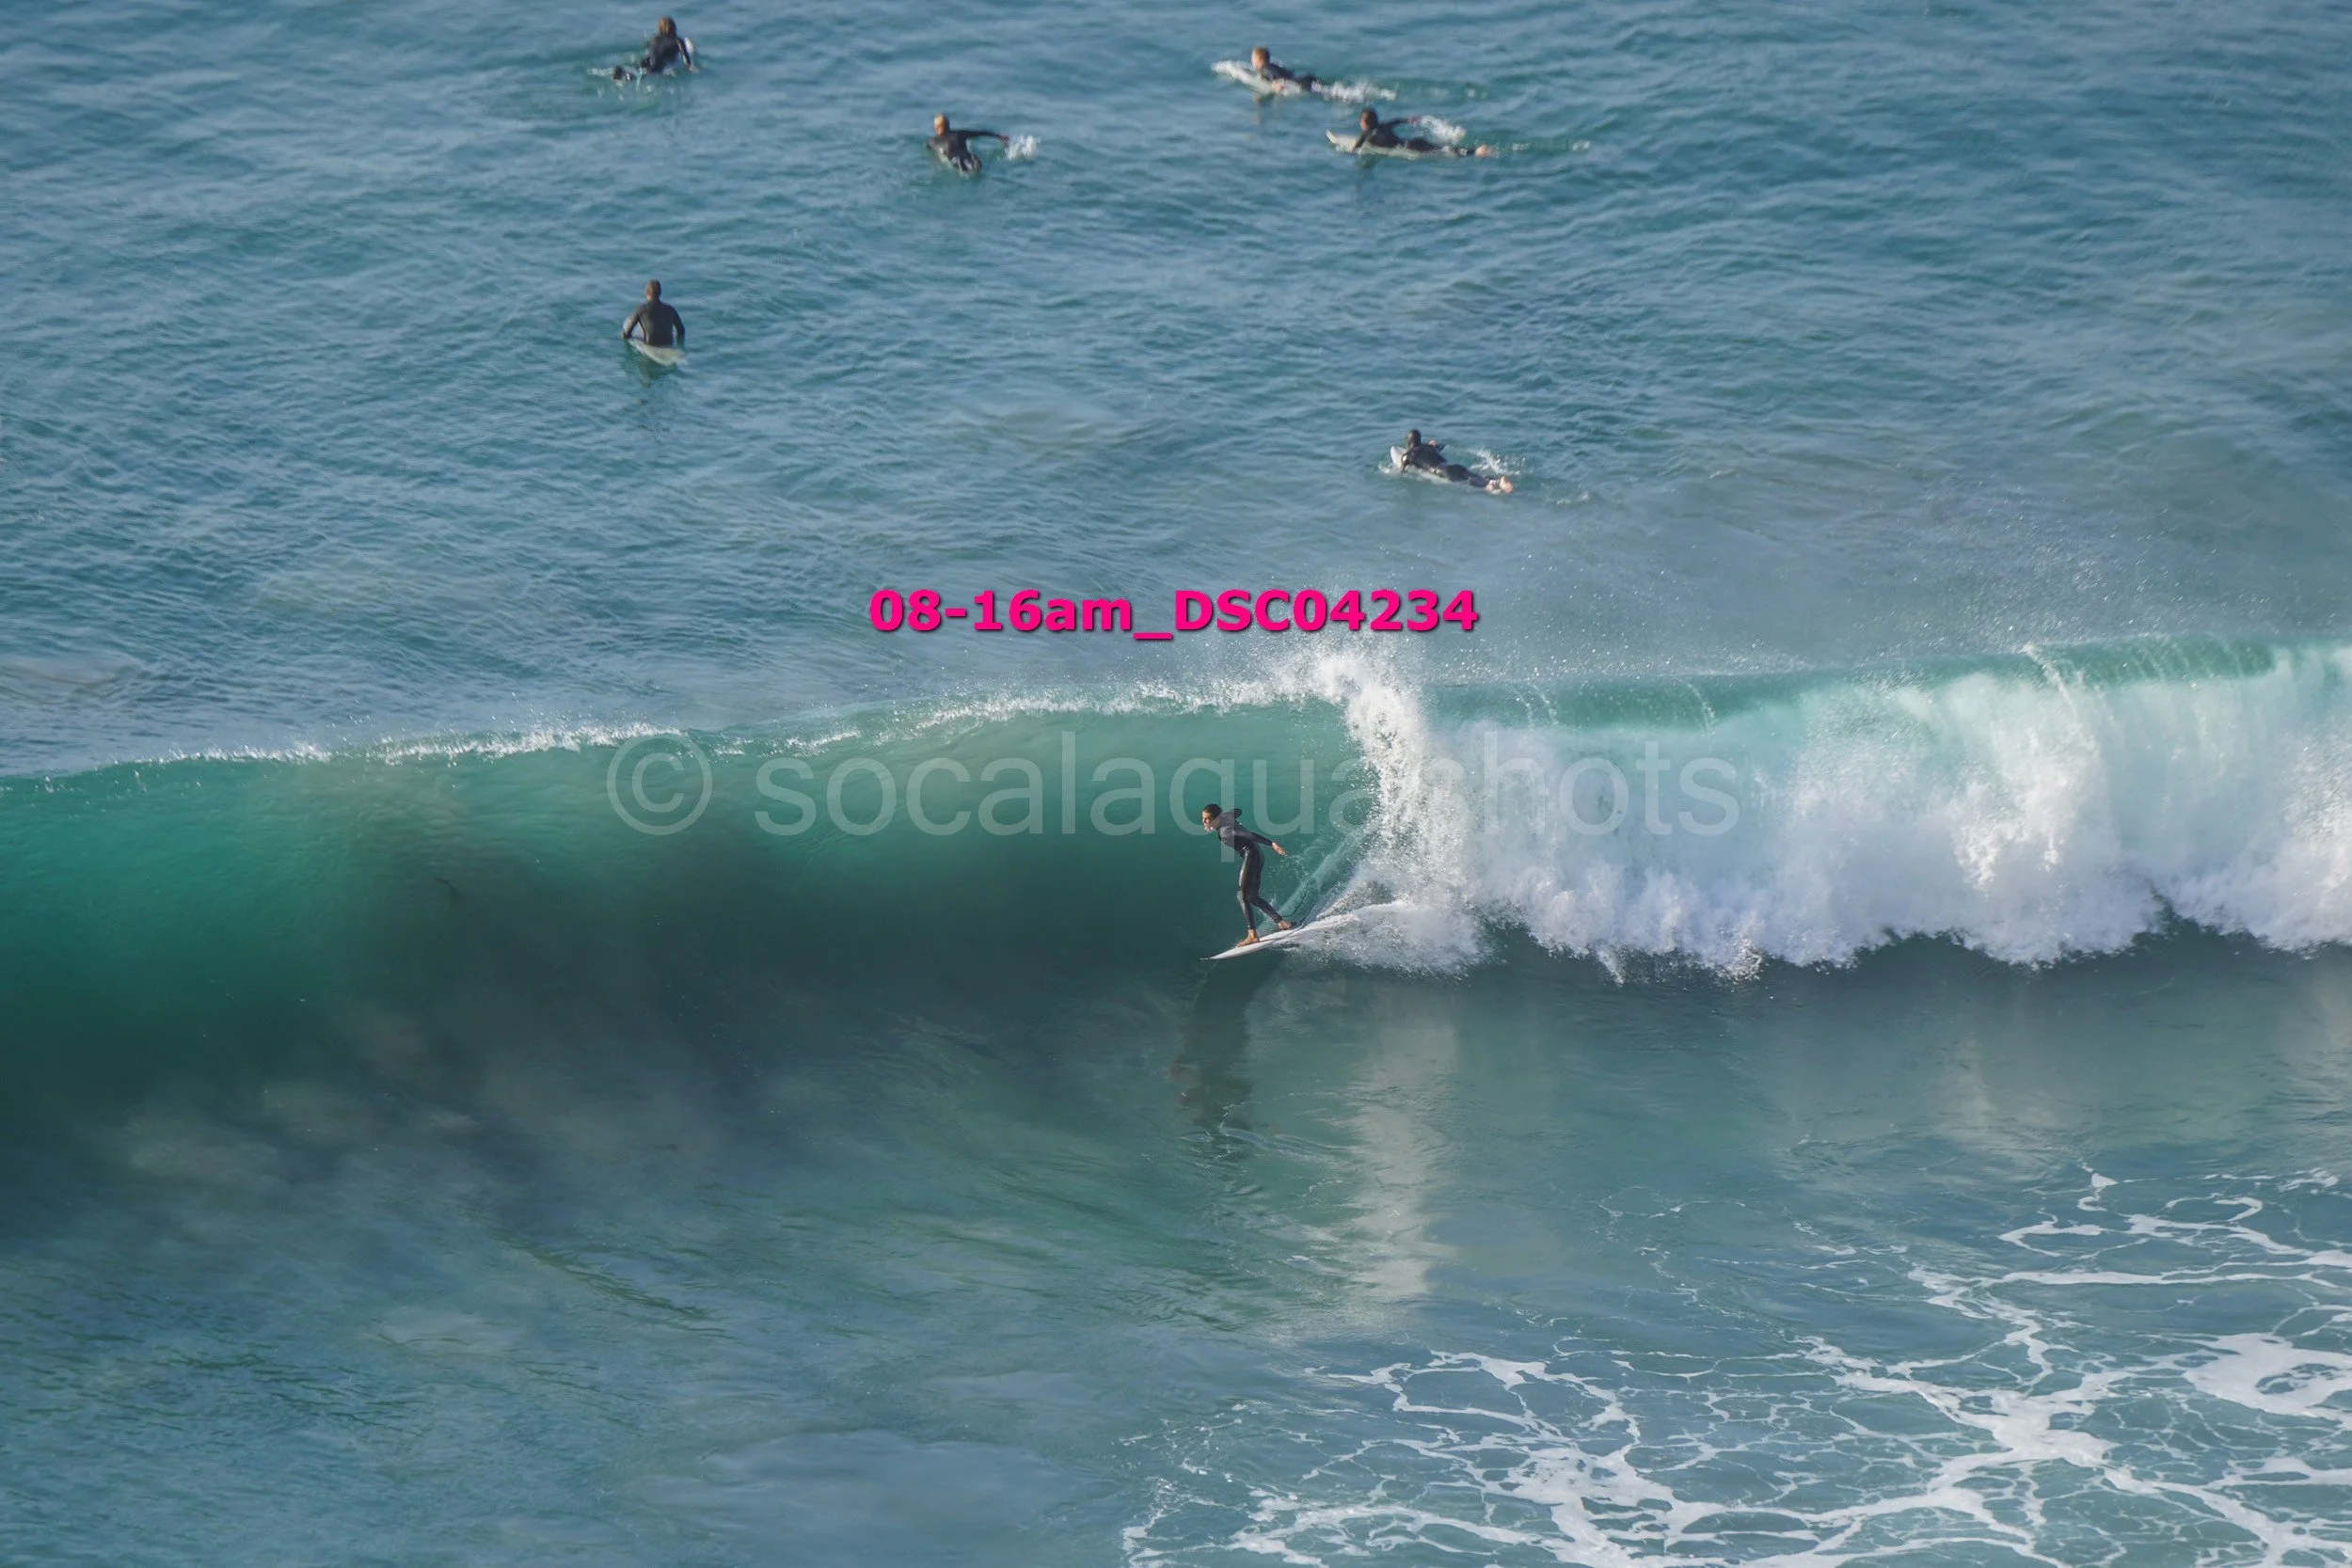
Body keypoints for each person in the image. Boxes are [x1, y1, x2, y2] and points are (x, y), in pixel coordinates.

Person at [1202, 804, 1292, 945]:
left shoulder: (1225, 831)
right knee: (1252, 896)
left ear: (1216, 818)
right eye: (1203, 818)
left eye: (1207, 819)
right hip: (1257, 855)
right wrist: (1226, 817)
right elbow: (1238, 810)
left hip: (1250, 856)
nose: (1204, 821)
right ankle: (1282, 923)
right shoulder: (1226, 817)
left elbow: (1249, 835)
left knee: (1242, 895)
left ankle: (1253, 935)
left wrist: (1271, 843)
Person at [1345, 107, 1496, 158]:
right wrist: (1409, 119)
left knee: (1443, 152)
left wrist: (1347, 151)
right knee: (1442, 149)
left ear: (1364, 124)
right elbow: (1397, 120)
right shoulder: (1384, 125)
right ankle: (1474, 150)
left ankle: (1476, 152)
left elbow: (1355, 148)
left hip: (1410, 148)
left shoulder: (1365, 134)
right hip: (1414, 141)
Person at [1400, 430, 1512, 493]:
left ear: (1408, 442)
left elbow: (1402, 470)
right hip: (1453, 466)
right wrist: (1432, 444)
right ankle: (1498, 481)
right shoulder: (1428, 447)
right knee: (1474, 476)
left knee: (1472, 483)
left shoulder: (1408, 455)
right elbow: (1440, 446)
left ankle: (1490, 486)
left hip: (1444, 472)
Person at [612, 16, 693, 80]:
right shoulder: (678, 40)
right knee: (647, 74)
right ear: (674, 27)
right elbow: (686, 57)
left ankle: (622, 73)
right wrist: (690, 67)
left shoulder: (654, 39)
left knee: (638, 68)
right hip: (659, 63)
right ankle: (630, 77)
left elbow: (647, 47)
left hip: (647, 60)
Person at [929, 115, 1009, 175]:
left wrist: (937, 161)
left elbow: (933, 156)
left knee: (962, 168)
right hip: (969, 156)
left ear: (936, 128)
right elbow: (980, 133)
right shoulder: (960, 133)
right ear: (948, 125)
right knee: (974, 166)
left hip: (955, 160)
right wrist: (998, 136)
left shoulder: (932, 142)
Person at [620, 280, 686, 349]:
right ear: (660, 293)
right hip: (668, 344)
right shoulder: (671, 309)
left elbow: (627, 334)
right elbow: (681, 331)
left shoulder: (641, 309)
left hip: (650, 345)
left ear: (646, 292)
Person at [1248, 45, 1323, 95]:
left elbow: (1274, 76)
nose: (1252, 61)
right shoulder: (1274, 65)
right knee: (1324, 90)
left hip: (1299, 84)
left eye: (1253, 58)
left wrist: (1276, 83)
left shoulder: (1265, 69)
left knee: (1321, 94)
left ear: (1259, 59)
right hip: (1305, 77)